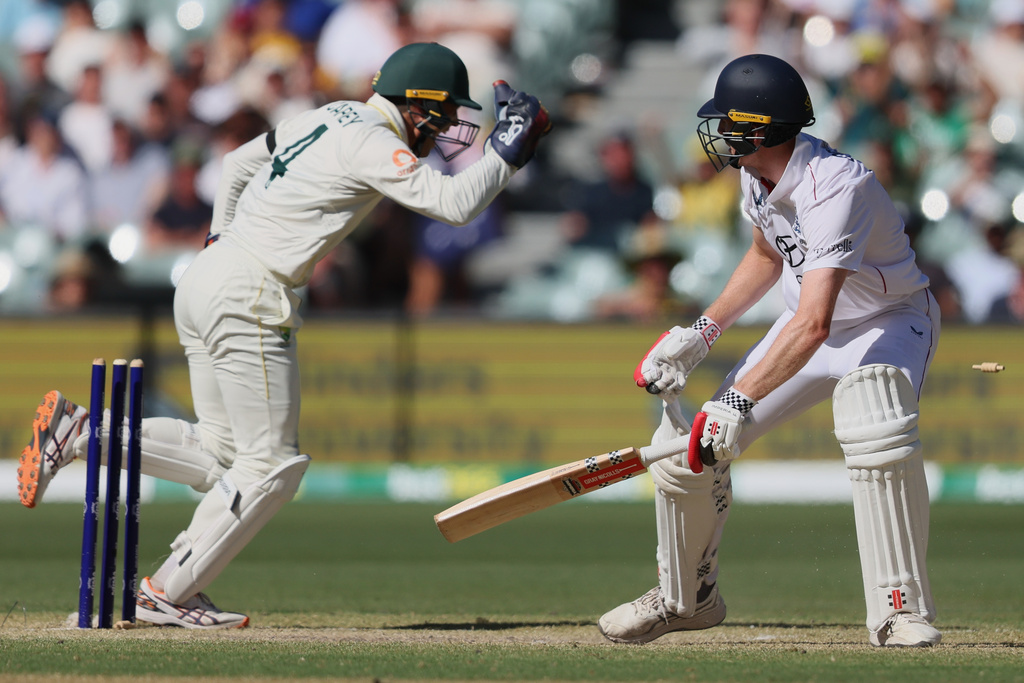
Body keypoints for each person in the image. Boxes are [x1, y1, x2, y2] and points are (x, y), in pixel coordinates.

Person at [17, 42, 550, 629]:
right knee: (272, 463)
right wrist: (508, 153)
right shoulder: (372, 139)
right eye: (444, 114)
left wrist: (220, 240)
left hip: (206, 278)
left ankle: (81, 431)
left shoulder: (326, 114)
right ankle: (165, 592)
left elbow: (235, 166)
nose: (448, 126)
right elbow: (453, 204)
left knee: (224, 451)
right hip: (250, 292)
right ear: (415, 104)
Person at [597, 54, 941, 648]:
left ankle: (899, 609)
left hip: (887, 319)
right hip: (807, 320)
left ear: (759, 129)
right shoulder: (755, 171)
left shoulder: (837, 187)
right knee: (686, 456)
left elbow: (814, 323)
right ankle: (686, 597)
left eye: (727, 122)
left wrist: (736, 398)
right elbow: (765, 253)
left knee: (874, 420)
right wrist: (698, 336)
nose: (716, 133)